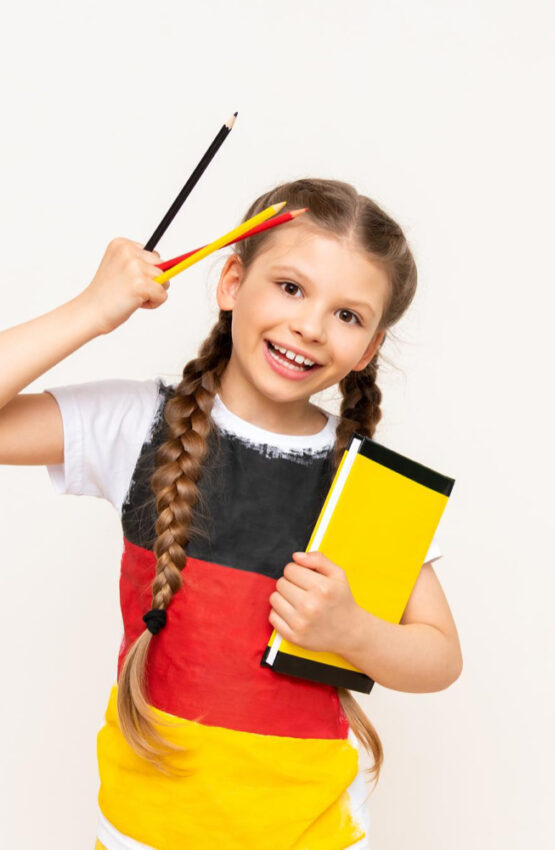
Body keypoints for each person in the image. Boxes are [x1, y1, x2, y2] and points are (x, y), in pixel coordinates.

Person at [0, 177, 462, 849]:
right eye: (292, 288)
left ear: (367, 350)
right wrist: (93, 311)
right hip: (141, 831)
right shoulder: (138, 425)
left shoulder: (368, 486)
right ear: (231, 283)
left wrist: (353, 631)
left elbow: (440, 657)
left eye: (348, 315)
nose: (309, 325)